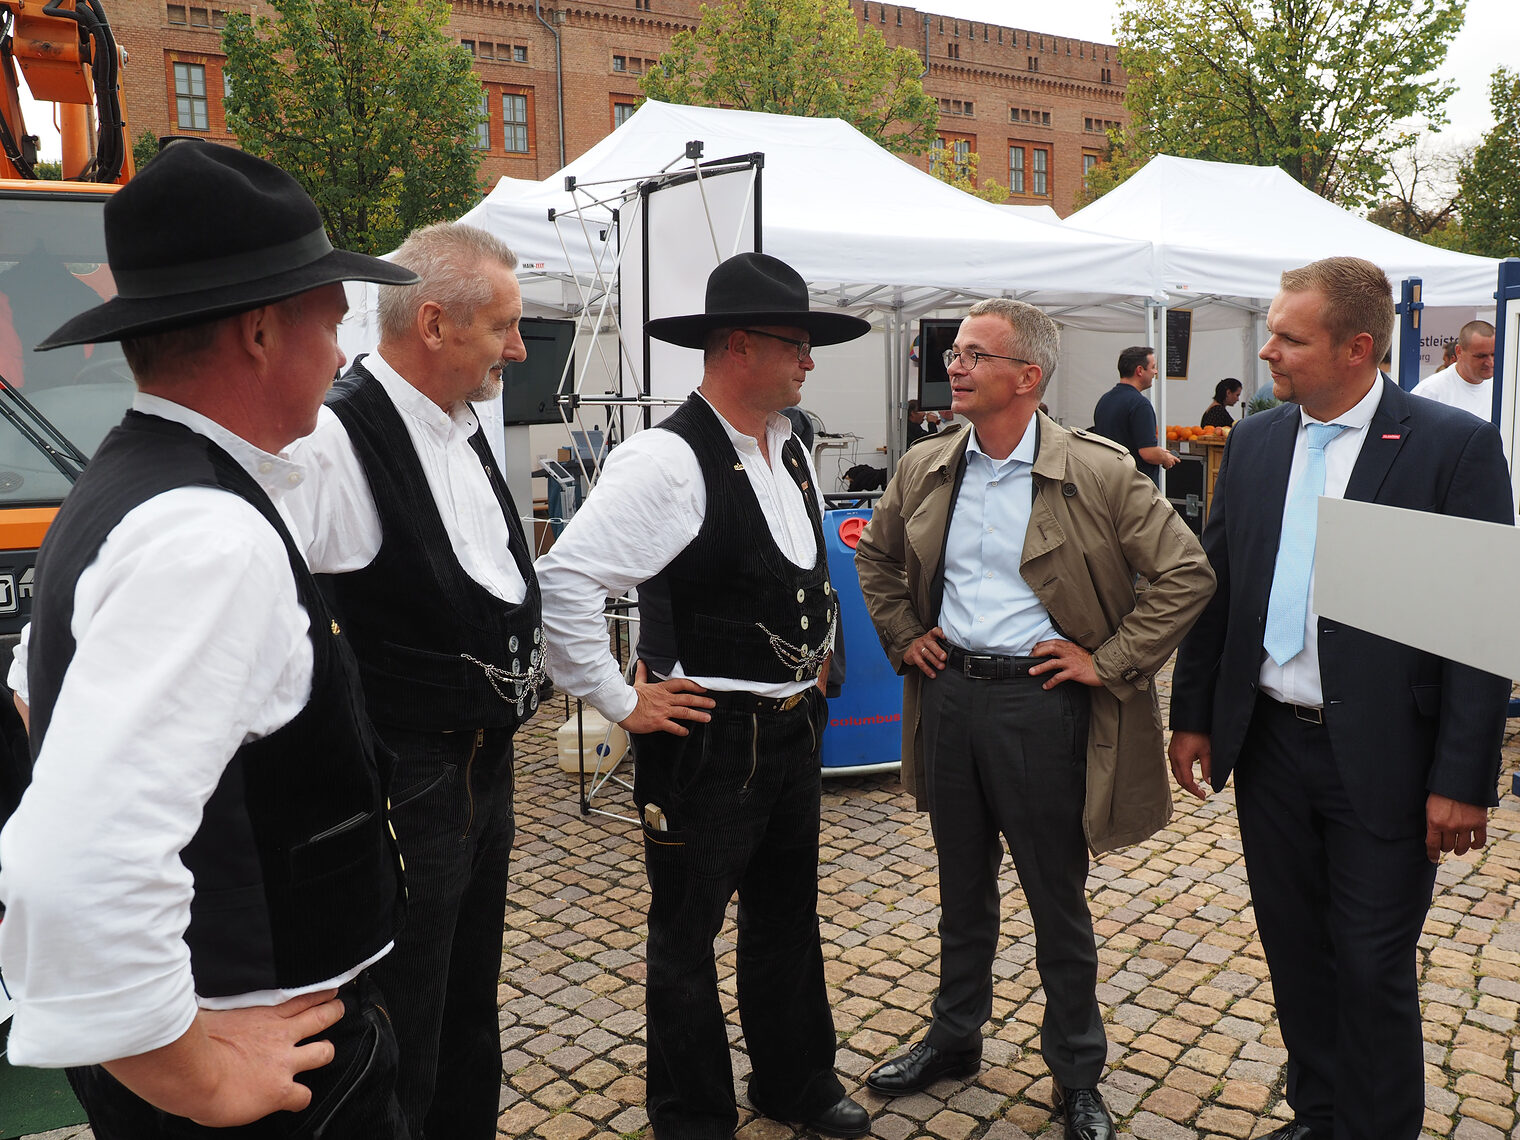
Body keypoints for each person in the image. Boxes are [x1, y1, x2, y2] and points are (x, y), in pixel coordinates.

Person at [0, 140, 417, 1137]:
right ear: (264, 333)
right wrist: (198, 1078)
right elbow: (71, 872)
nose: (344, 349)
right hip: (262, 1066)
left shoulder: (138, 482)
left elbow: (32, 696)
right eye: (330, 318)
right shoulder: (206, 534)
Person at [853, 299, 1214, 1140]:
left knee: (1057, 898)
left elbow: (1186, 574)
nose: (956, 365)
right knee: (959, 888)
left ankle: (1077, 1074)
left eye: (976, 354)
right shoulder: (929, 463)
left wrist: (1111, 660)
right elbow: (876, 557)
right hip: (951, 698)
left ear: (1028, 376)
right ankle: (953, 1039)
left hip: (1041, 706)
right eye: (956, 353)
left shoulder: (1098, 470)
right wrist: (906, 635)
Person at [1168, 258, 1512, 1140]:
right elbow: (1223, 584)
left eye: (1289, 336)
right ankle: (1319, 1115)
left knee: (1370, 966)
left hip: (1387, 761)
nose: (1268, 349)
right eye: (1272, 331)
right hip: (1271, 748)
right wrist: (1196, 713)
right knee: (1296, 953)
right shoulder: (1256, 440)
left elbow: (1473, 629)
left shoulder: (1445, 446)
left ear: (1358, 348)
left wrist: (1463, 779)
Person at [537, 252, 872, 1140]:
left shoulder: (787, 442)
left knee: (786, 917)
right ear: (736, 347)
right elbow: (566, 579)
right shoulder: (665, 459)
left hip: (795, 725)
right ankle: (692, 1118)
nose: (807, 362)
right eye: (794, 345)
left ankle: (794, 1082)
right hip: (711, 735)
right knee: (686, 938)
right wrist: (619, 698)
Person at [280, 221, 540, 1140]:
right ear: (433, 323)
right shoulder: (333, 442)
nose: (517, 346)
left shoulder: (462, 425)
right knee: (404, 1010)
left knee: (470, 995)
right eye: (503, 327)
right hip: (406, 775)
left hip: (485, 761)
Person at [1092, 345, 1178, 484]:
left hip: (1107, 481)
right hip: (1134, 488)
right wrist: (1165, 458)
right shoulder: (1140, 405)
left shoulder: (1105, 400)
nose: (1155, 372)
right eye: (1153, 367)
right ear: (1139, 370)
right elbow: (1148, 453)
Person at [1411, 319, 1496, 422]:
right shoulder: (1429, 391)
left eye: (1494, 355)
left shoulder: (1505, 388)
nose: (1490, 363)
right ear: (1459, 351)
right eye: (1481, 356)